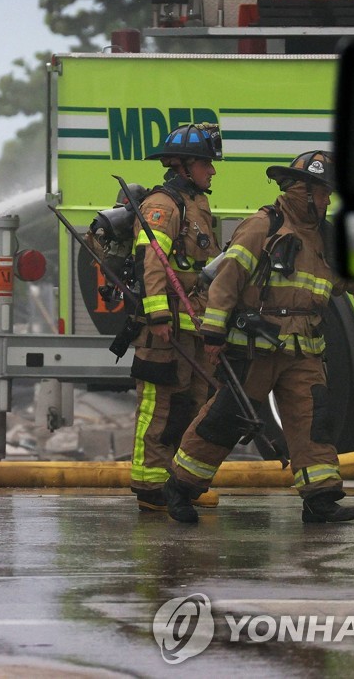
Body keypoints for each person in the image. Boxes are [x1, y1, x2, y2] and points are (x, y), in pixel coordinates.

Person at [166, 150, 354, 524]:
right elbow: (228, 281)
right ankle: (181, 488)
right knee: (225, 420)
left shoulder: (325, 238)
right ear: (303, 191)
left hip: (303, 351)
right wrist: (214, 334)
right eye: (323, 193)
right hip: (257, 347)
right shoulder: (262, 226)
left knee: (312, 421)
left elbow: (347, 284)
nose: (328, 200)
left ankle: (320, 499)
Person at [128, 123, 222, 513]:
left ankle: (176, 481)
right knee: (159, 406)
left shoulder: (196, 203)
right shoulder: (164, 205)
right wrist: (158, 316)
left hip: (192, 325)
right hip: (165, 329)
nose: (212, 171)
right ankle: (150, 486)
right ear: (184, 167)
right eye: (206, 164)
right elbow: (153, 261)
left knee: (191, 403)